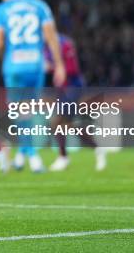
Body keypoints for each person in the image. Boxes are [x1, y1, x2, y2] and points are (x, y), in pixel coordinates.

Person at [0, 0, 65, 173]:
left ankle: (31, 155)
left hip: (14, 66)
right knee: (29, 111)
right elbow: (51, 37)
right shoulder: (40, 5)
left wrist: (0, 53)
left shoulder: (1, 10)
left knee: (19, 111)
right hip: (35, 64)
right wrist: (59, 64)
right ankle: (23, 154)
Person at [45, 34, 109, 172]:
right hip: (61, 88)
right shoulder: (44, 46)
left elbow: (73, 68)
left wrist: (52, 66)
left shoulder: (65, 43)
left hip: (73, 87)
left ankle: (64, 157)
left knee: (57, 123)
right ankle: (97, 150)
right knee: (65, 125)